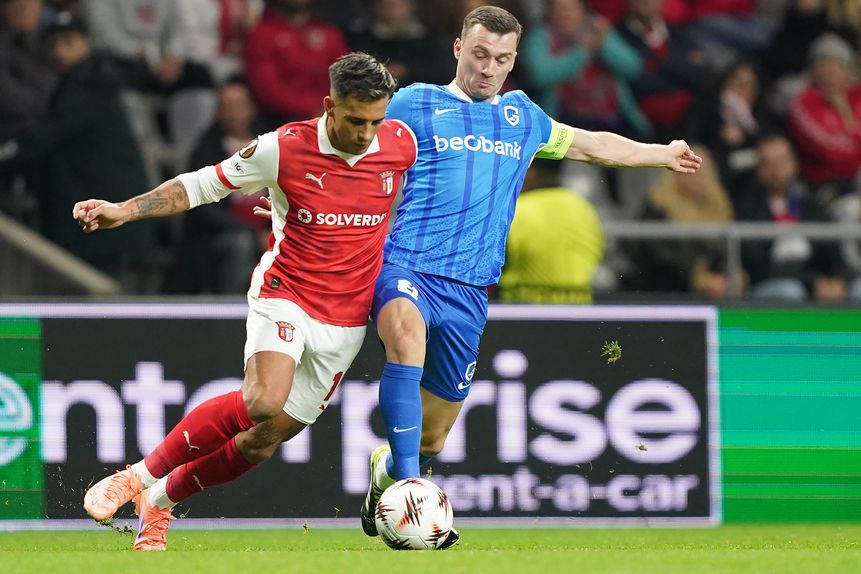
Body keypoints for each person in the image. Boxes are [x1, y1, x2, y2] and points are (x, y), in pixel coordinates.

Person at [76, 52, 416, 551]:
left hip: (346, 318)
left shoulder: (400, 143)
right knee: (263, 401)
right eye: (355, 120)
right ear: (328, 105)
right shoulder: (283, 147)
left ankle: (162, 499)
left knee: (263, 440)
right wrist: (125, 211)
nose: (367, 134)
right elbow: (202, 185)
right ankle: (137, 476)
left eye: (376, 121)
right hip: (288, 295)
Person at [0, 12, 156, 285]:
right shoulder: (81, 82)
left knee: (102, 315)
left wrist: (5, 155)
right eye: (53, 44)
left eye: (67, 41)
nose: (59, 51)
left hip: (108, 232)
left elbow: (43, 137)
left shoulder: (91, 83)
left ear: (86, 43)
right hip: (106, 227)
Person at [498, 159, 604, 304]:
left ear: (530, 173)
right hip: (580, 313)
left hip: (523, 315)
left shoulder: (518, 210)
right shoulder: (584, 208)